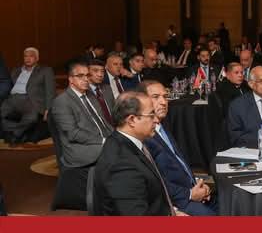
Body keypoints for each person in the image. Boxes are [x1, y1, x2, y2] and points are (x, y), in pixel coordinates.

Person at [139, 81, 217, 216]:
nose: (163, 102)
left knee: (230, 203)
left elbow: (180, 165)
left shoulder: (162, 127)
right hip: (176, 201)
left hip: (190, 190)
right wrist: (190, 194)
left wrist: (198, 185)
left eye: (165, 97)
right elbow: (157, 182)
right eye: (156, 97)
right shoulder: (145, 136)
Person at [94, 92, 176, 216]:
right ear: (132, 120)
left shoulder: (130, 142)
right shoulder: (121, 165)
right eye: (151, 115)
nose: (156, 120)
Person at [51, 61, 112, 203]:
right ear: (70, 79)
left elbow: (103, 122)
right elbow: (73, 134)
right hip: (78, 148)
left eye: (87, 75)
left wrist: (118, 135)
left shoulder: (90, 95)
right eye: (80, 76)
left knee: (128, 144)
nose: (86, 79)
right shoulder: (62, 101)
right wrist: (104, 141)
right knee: (115, 150)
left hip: (96, 139)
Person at [1, 47, 55, 143]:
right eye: (26, 56)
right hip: (12, 99)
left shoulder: (45, 70)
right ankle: (16, 133)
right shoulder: (16, 70)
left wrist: (48, 109)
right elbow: (8, 84)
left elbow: (50, 90)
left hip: (29, 100)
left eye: (31, 56)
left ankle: (14, 134)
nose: (28, 58)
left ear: (37, 58)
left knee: (31, 118)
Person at [87, 60, 115, 126]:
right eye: (95, 71)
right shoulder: (84, 91)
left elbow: (114, 109)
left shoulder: (107, 88)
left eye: (102, 71)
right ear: (87, 72)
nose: (100, 75)